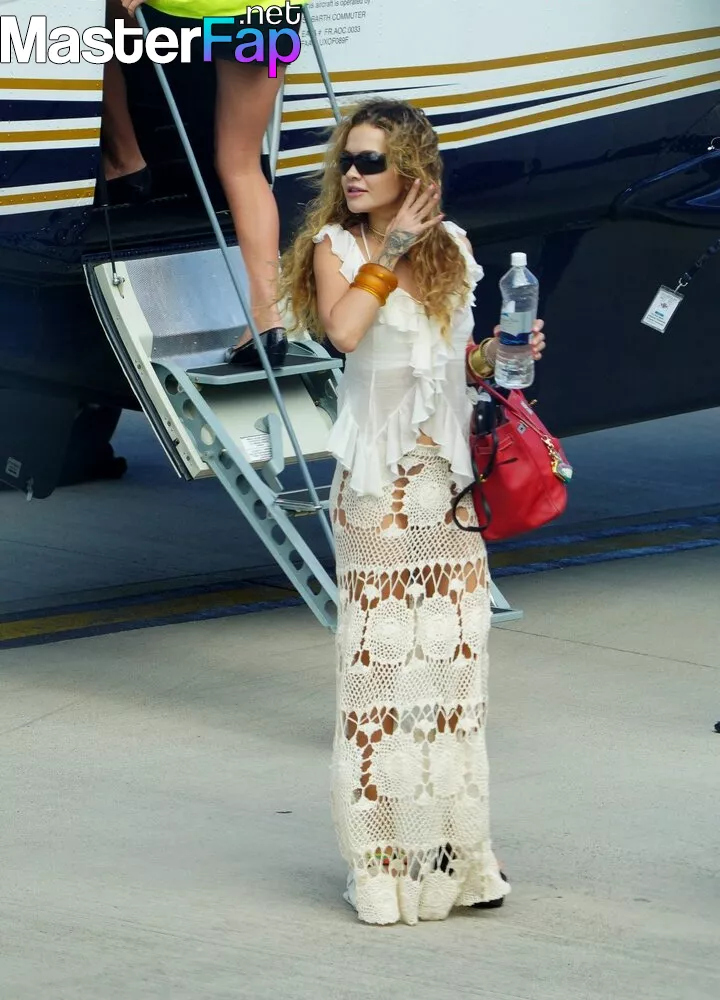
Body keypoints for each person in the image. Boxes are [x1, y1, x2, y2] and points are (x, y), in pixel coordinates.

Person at [279, 98, 546, 926]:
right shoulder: (336, 247)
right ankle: (383, 862)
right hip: (379, 492)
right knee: (383, 680)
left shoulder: (454, 247)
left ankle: (457, 854)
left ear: (412, 171)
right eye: (347, 160)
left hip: (447, 488)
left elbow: (451, 362)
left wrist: (501, 353)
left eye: (371, 161)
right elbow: (345, 332)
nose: (353, 174)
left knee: (453, 682)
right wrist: (389, 249)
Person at [110, 0, 308, 365]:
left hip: (202, 11)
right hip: (274, 12)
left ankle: (123, 160)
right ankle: (268, 317)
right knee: (243, 165)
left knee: (96, 21)